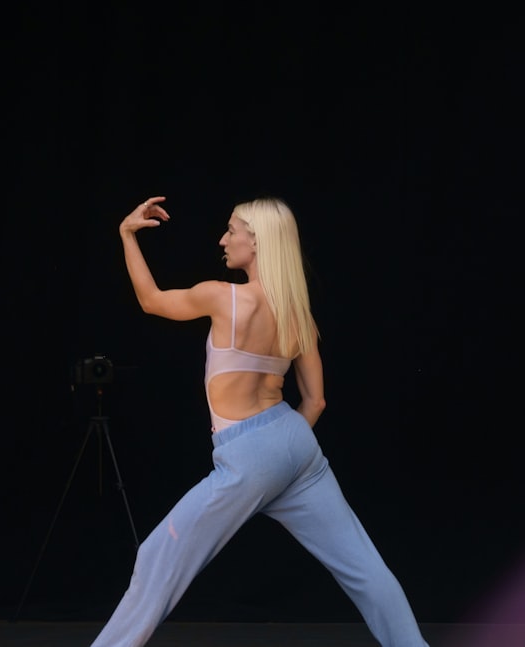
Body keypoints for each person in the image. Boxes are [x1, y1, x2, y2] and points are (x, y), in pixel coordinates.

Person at [91, 195, 430, 647]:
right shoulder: (296, 310)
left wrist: (127, 234)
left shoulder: (223, 297)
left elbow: (151, 300)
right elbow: (316, 401)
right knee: (365, 569)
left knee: (158, 555)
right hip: (295, 443)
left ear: (258, 242)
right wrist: (282, 453)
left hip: (248, 452)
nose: (223, 239)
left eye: (232, 231)